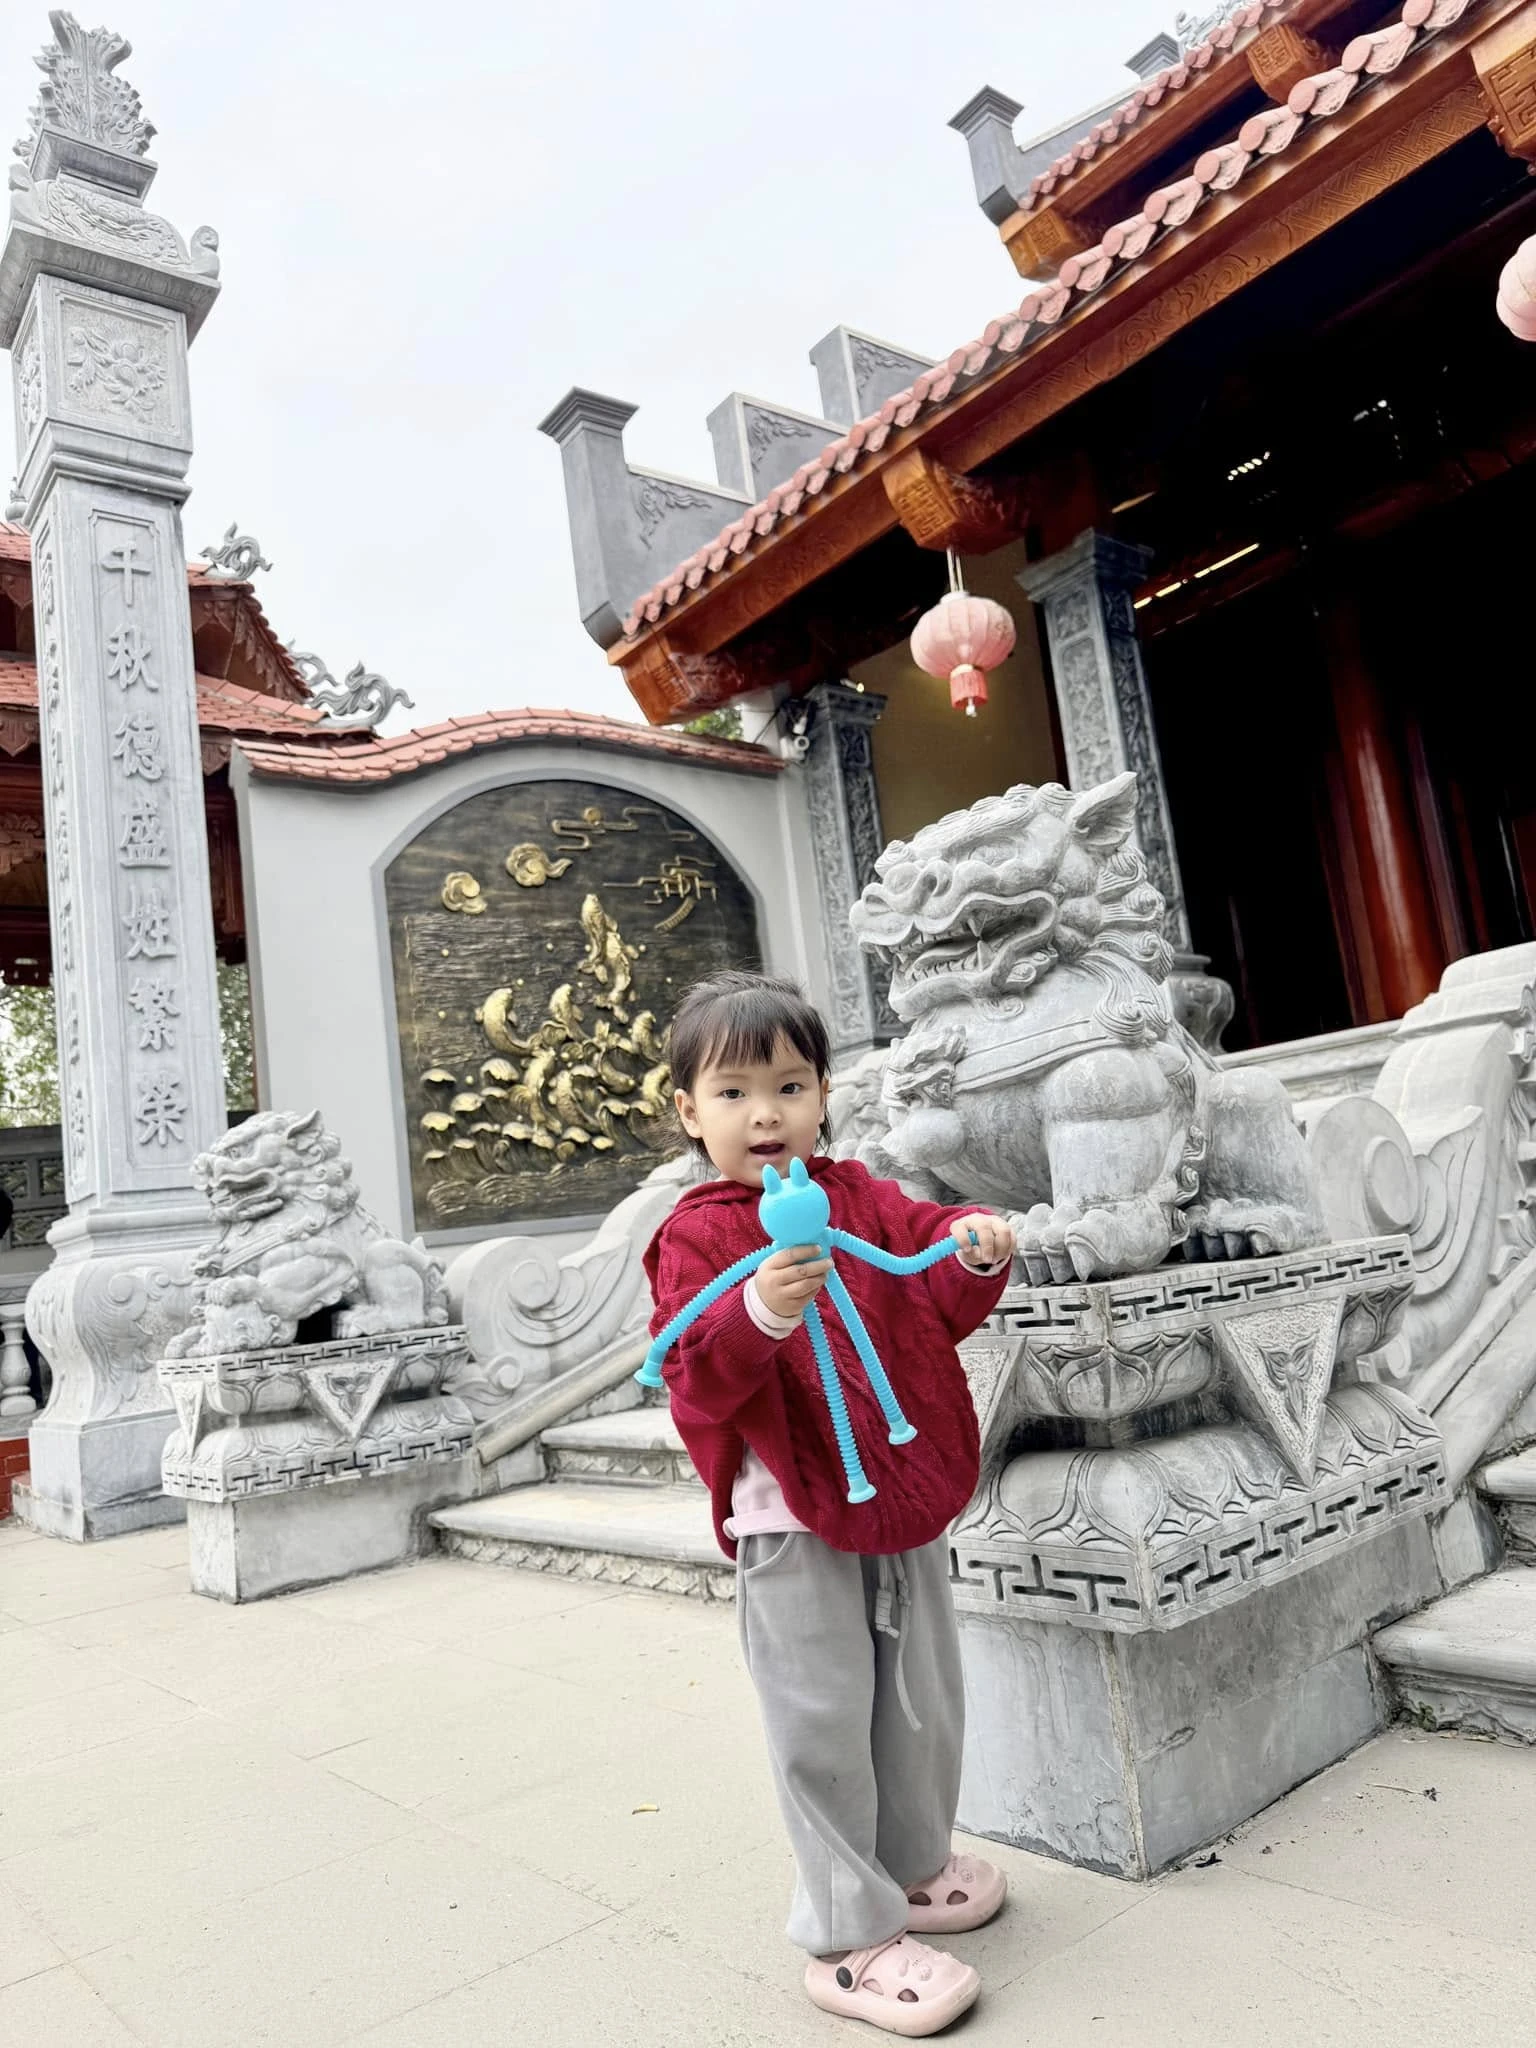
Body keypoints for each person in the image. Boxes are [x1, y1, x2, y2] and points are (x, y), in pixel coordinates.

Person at [644, 970, 1017, 2038]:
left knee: (921, 1698)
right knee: (821, 1723)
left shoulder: (861, 1198)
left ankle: (913, 1867)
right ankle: (849, 1938)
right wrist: (760, 1309)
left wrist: (973, 1243)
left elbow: (928, 1266)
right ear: (689, 1110)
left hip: (895, 1494)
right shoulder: (696, 1236)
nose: (764, 1113)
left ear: (822, 1093)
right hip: (788, 1517)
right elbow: (693, 1372)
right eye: (733, 1092)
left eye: (789, 1085)